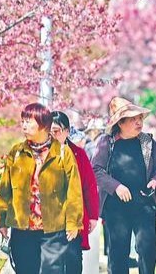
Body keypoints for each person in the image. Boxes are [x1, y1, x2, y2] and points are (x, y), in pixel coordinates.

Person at [0, 103, 83, 274]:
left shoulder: (63, 152)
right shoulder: (17, 152)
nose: (24, 125)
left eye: (29, 121)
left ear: (43, 124)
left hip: (53, 229)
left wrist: (73, 221)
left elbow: (74, 189)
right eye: (23, 121)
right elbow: (5, 189)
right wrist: (2, 219)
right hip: (22, 228)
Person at [92, 96, 156, 274]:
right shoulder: (106, 142)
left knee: (148, 249)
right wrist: (116, 186)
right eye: (133, 119)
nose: (138, 122)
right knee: (118, 253)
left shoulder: (147, 142)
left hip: (144, 204)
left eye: (139, 118)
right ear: (121, 123)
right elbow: (96, 170)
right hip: (116, 208)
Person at [51, 111, 100, 274]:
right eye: (48, 131)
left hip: (74, 218)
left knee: (73, 262)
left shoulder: (79, 154)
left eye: (56, 131)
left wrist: (93, 215)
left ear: (66, 131)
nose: (52, 135)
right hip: (48, 220)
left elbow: (89, 186)